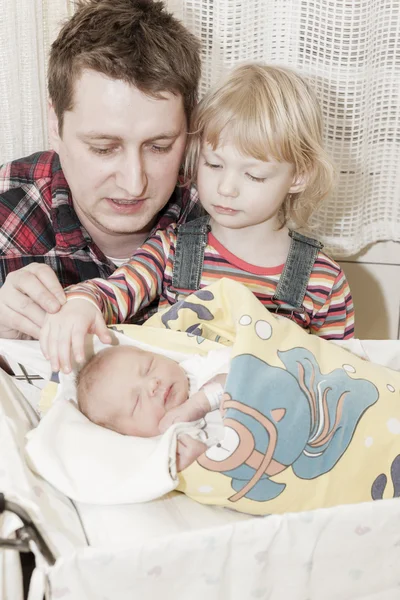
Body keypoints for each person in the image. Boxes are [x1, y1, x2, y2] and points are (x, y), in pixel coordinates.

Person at [40, 63, 355, 374]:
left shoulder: (323, 280)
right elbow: (114, 292)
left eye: (254, 175)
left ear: (299, 176)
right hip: (170, 410)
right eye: (214, 165)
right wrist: (83, 303)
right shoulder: (171, 250)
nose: (226, 188)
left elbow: (343, 374)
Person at [0, 0, 201, 341]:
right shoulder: (6, 207)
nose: (134, 183)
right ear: (55, 123)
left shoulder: (229, 217)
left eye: (159, 147)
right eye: (103, 148)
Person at [75, 344, 229, 471]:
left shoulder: (198, 368)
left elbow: (246, 367)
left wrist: (200, 402)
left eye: (148, 368)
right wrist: (201, 460)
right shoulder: (172, 447)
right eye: (137, 401)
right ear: (131, 435)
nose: (152, 384)